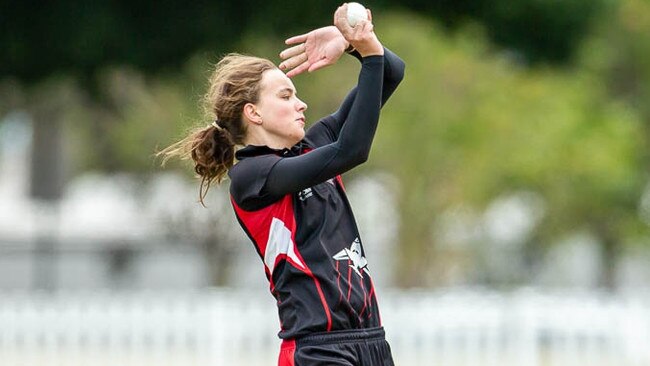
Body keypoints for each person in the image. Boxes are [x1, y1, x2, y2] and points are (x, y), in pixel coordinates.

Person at [159, 4, 404, 365]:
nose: (301, 104)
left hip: (371, 342)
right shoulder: (252, 176)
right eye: (286, 96)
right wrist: (366, 53)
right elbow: (351, 150)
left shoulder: (312, 145)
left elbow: (391, 73)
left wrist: (356, 43)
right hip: (318, 350)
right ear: (253, 113)